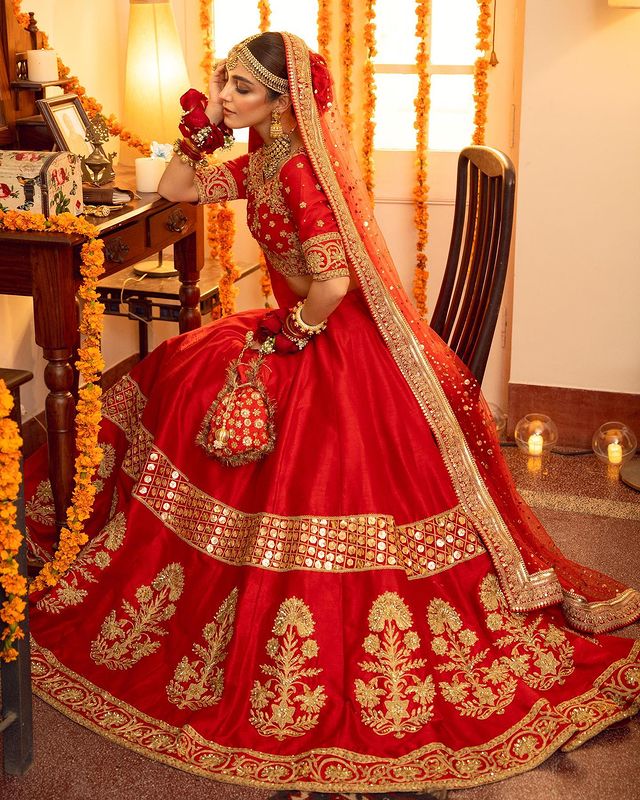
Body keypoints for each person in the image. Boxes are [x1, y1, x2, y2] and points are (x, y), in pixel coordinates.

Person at [25, 31, 640, 795]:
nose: (224, 94)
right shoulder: (264, 154)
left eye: (241, 90)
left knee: (213, 396)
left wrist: (294, 336)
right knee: (178, 370)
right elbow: (181, 190)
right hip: (303, 326)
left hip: (333, 340)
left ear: (283, 104)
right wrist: (203, 128)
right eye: (222, 80)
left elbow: (334, 284)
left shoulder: (299, 171)